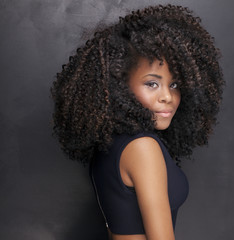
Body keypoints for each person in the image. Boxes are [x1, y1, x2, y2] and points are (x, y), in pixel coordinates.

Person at [50, 4, 224, 240]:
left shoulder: (113, 142)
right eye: (152, 83)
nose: (167, 96)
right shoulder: (143, 148)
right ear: (120, 85)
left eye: (174, 84)